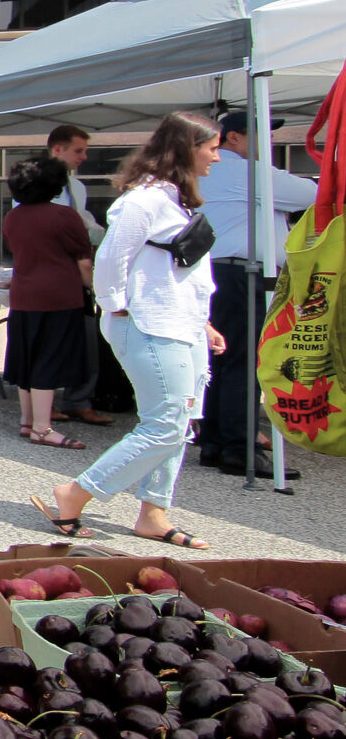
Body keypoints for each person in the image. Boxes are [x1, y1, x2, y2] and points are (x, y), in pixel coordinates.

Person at [32, 111, 225, 548]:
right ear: (188, 149)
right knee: (166, 423)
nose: (217, 156)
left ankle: (153, 512)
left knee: (180, 422)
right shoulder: (145, 200)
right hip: (151, 324)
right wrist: (117, 307)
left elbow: (182, 272)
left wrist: (203, 322)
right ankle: (76, 492)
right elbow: (111, 258)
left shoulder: (176, 199)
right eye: (212, 148)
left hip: (183, 324)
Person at [196, 109, 317, 478]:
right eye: (261, 132)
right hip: (239, 273)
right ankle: (239, 449)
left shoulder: (225, 172)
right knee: (243, 363)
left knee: (222, 361)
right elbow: (310, 193)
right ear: (233, 137)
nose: (270, 140)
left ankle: (215, 442)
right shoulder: (245, 171)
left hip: (219, 271)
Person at [1, 156, 93, 447]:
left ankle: (28, 420)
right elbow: (84, 260)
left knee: (27, 358)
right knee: (49, 359)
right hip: (59, 295)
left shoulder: (12, 217)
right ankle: (42, 427)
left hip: (23, 294)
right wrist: (92, 286)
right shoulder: (64, 216)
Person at [41, 125, 114, 429]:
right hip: (51, 271)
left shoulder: (78, 188)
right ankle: (43, 404)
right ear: (58, 149)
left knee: (85, 337)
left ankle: (79, 400)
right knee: (49, 340)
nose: (83, 157)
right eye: (78, 151)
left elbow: (84, 226)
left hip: (75, 270)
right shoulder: (36, 183)